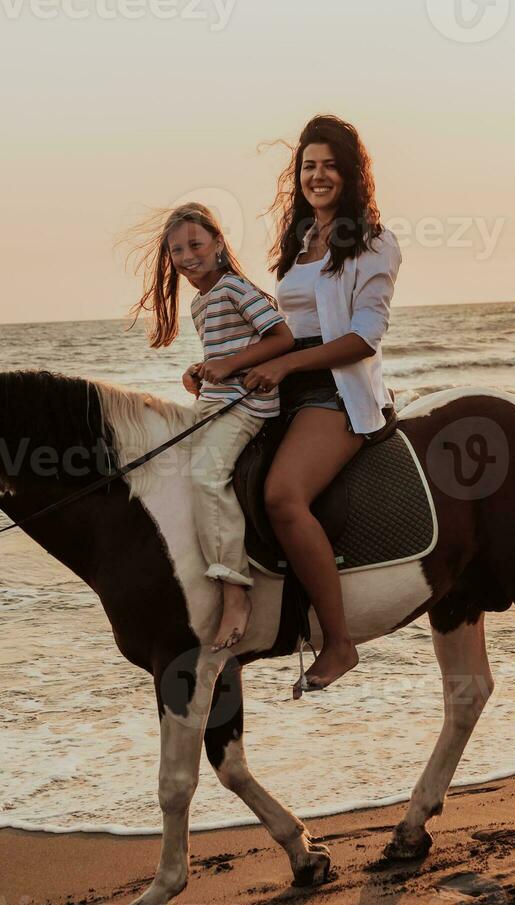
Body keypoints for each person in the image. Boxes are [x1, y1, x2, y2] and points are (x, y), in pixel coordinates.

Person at [239, 115, 402, 698]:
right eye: (308, 166)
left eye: (330, 164)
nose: (317, 175)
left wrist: (285, 366)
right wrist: (231, 364)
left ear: (352, 173)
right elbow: (288, 327)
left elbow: (364, 337)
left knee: (283, 497)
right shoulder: (301, 239)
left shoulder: (375, 242)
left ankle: (339, 641)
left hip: (337, 390)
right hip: (285, 386)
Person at [130, 203, 294, 650]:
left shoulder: (236, 289)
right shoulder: (204, 301)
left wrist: (228, 365)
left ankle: (236, 590)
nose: (186, 256)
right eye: (177, 249)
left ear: (219, 245)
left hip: (247, 406)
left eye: (196, 244)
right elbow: (230, 351)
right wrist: (200, 371)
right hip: (218, 403)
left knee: (206, 474)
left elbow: (281, 339)